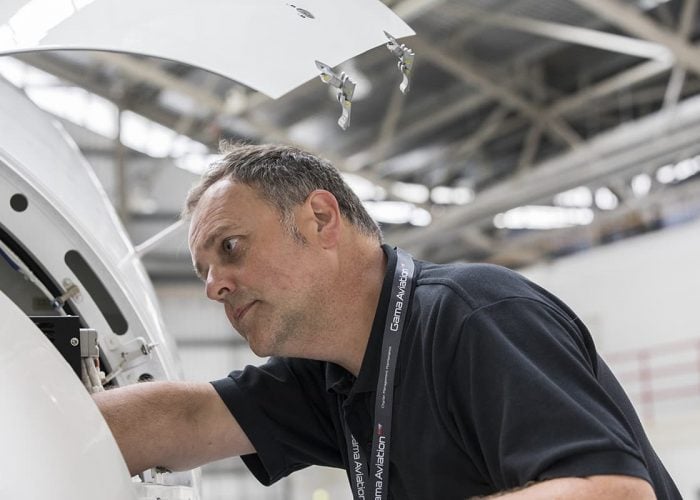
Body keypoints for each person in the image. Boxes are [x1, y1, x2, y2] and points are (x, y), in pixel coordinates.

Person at [94, 143, 681, 499]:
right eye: (203, 271)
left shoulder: (472, 317)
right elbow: (185, 418)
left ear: (321, 218)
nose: (213, 285)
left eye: (231, 247)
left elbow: (612, 492)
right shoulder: (331, 375)